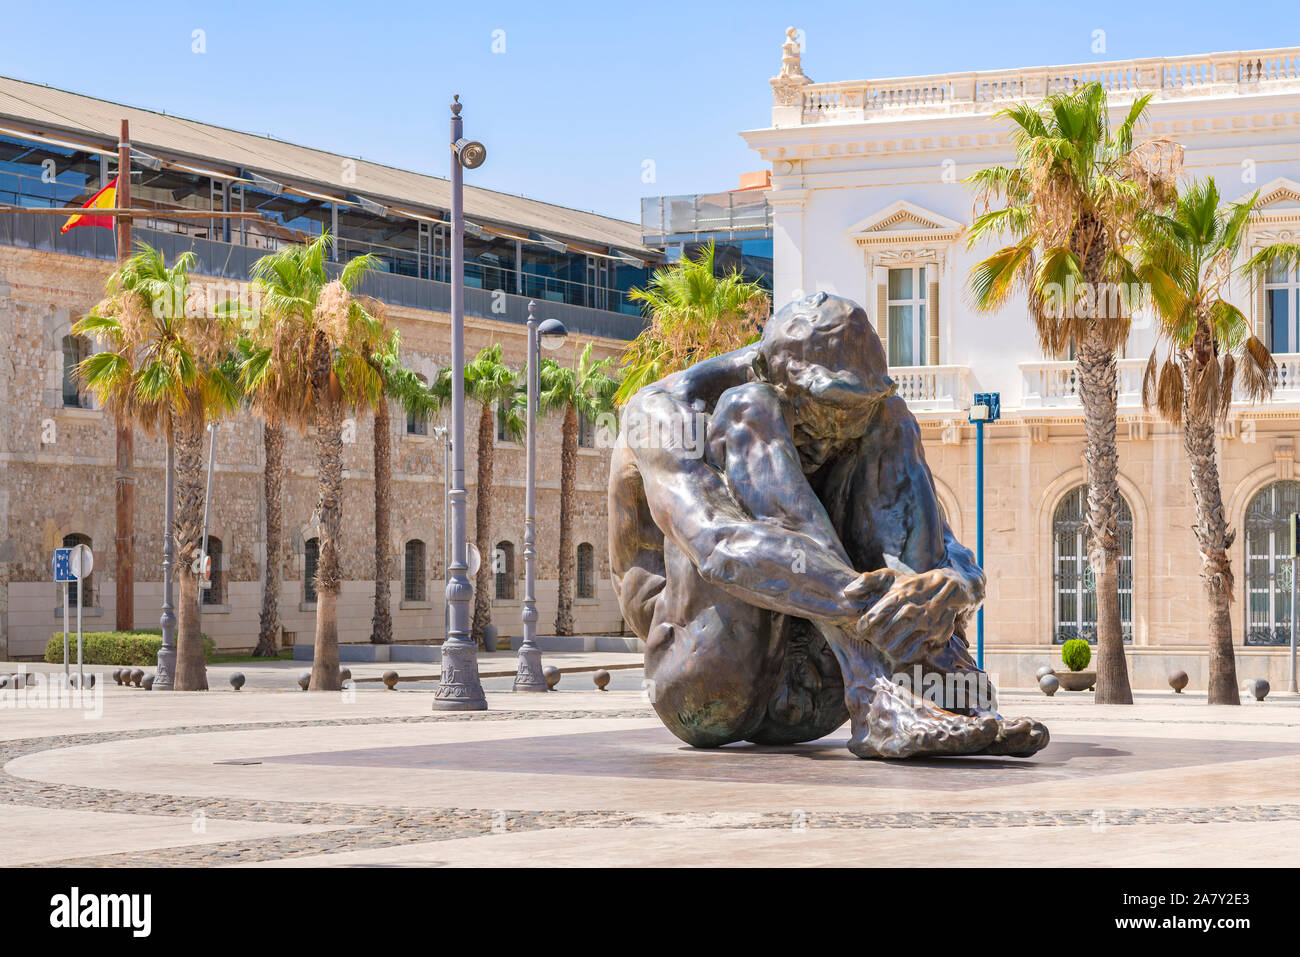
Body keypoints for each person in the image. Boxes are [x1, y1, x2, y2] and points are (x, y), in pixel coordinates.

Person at [608, 292, 1047, 759]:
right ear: (774, 375)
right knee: (747, 412)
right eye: (828, 407)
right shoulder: (665, 412)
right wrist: (875, 604)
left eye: (856, 407)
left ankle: (939, 685)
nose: (842, 427)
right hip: (706, 678)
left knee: (893, 417)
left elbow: (948, 545)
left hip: (823, 688)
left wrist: (955, 585)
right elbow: (719, 546)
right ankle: (877, 694)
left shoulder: (871, 416)